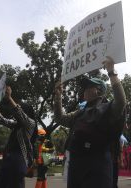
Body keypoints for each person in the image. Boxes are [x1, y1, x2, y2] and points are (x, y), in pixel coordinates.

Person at [54, 56, 126, 188]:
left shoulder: (107, 109)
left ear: (98, 91)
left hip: (97, 167)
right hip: (76, 166)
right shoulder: (80, 112)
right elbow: (60, 118)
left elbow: (121, 102)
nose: (85, 89)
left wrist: (111, 72)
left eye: (89, 86)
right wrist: (58, 97)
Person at [0, 86, 37, 188]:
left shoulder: (30, 123)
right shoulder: (16, 123)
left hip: (19, 159)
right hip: (9, 158)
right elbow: (3, 120)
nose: (14, 113)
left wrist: (9, 98)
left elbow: (21, 115)